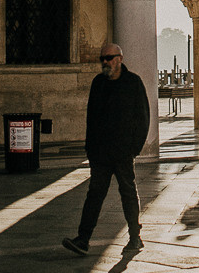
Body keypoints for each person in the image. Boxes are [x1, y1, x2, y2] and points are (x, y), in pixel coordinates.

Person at [63, 42, 150, 257]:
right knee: (95, 194)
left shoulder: (133, 83)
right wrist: (90, 148)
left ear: (119, 58)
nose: (105, 62)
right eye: (102, 59)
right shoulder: (98, 83)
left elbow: (143, 117)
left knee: (128, 193)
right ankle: (83, 239)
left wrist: (134, 148)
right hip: (100, 152)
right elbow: (91, 117)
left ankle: (134, 237)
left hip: (122, 151)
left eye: (109, 58)